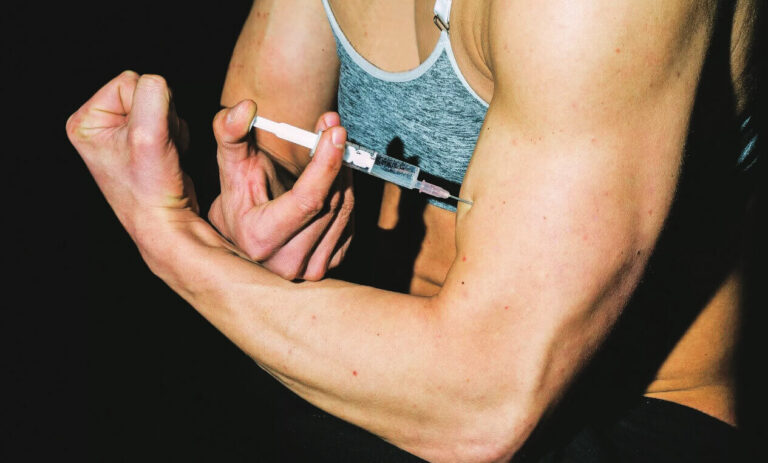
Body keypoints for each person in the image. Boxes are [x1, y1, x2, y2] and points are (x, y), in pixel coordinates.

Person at [67, 0, 761, 460]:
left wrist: (172, 243)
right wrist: (262, 215)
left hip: (623, 419)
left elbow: (486, 398)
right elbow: (269, 140)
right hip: (385, 385)